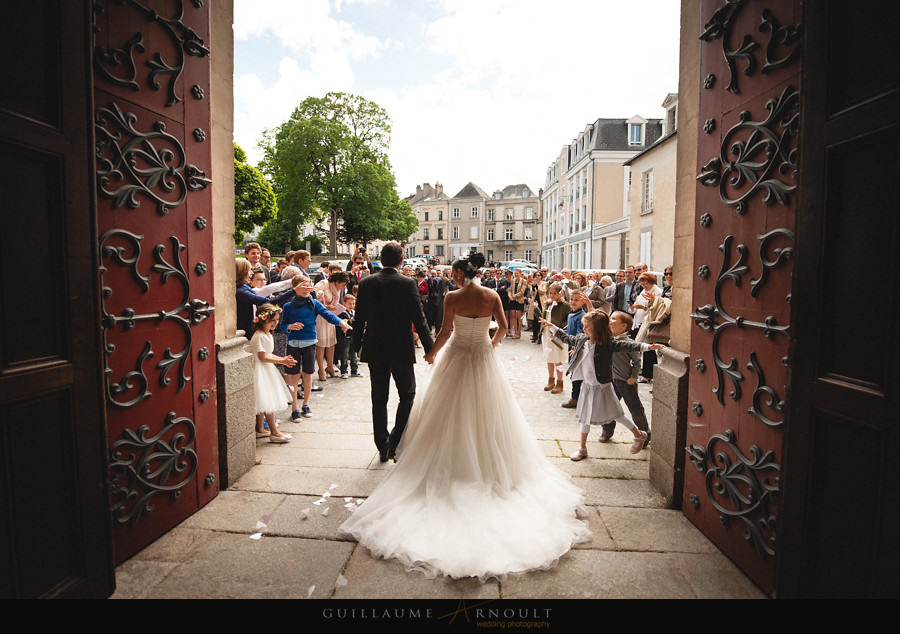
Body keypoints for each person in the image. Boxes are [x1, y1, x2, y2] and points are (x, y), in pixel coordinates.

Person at [339, 252, 590, 580]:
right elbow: (501, 328)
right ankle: (487, 465)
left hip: (457, 357)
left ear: (459, 274)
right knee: (489, 413)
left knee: (444, 411)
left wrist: (431, 353)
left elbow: (444, 332)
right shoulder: (492, 295)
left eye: (455, 272)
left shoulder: (453, 296)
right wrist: (491, 345)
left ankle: (410, 450)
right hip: (482, 357)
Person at [540, 310, 664, 461]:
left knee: (617, 415)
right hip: (587, 386)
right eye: (584, 326)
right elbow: (567, 338)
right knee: (585, 417)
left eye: (587, 327)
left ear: (598, 329)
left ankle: (639, 435)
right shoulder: (582, 340)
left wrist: (648, 347)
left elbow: (627, 345)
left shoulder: (607, 343)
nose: (584, 329)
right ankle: (582, 448)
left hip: (603, 387)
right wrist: (553, 327)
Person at [352, 242, 434, 462]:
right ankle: (396, 440)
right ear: (401, 261)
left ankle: (382, 443)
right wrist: (430, 348)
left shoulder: (367, 282)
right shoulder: (407, 283)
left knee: (378, 398)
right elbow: (420, 317)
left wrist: (354, 346)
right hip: (400, 346)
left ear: (381, 259)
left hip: (375, 346)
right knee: (407, 394)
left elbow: (359, 318)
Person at [280, 275, 352, 420]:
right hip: (293, 344)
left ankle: (306, 404)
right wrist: (289, 326)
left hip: (310, 343)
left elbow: (328, 315)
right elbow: (282, 325)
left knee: (308, 374)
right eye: (304, 286)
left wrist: (341, 322)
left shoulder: (314, 304)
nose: (307, 289)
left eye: (309, 285)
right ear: (296, 288)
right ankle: (294, 407)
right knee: (293, 376)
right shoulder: (288, 306)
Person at [598, 311, 652, 445]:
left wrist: (633, 377)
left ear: (623, 326)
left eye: (614, 319)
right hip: (611, 380)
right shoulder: (608, 340)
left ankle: (644, 433)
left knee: (635, 408)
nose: (610, 320)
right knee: (608, 406)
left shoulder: (628, 343)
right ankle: (607, 431)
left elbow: (637, 362)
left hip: (626, 381)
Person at [248, 304, 296, 443]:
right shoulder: (259, 336)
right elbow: (262, 357)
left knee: (264, 400)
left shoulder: (268, 334)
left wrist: (284, 360)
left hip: (266, 368)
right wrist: (283, 361)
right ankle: (274, 432)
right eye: (272, 320)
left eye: (276, 320)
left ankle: (260, 428)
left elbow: (269, 354)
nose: (275, 323)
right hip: (260, 369)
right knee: (267, 401)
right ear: (263, 320)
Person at [235, 258, 294, 339]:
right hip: (246, 333)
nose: (251, 273)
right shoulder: (240, 291)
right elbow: (269, 302)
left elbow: (273, 287)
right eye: (249, 271)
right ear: (242, 273)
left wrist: (292, 283)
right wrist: (294, 290)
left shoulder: (244, 287)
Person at [541, 282, 570, 394]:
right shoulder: (548, 304)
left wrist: (560, 328)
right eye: (550, 293)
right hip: (547, 334)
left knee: (558, 359)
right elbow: (544, 317)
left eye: (554, 293)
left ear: (560, 293)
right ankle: (551, 379)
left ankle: (560, 381)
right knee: (549, 358)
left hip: (557, 334)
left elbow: (568, 320)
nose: (552, 295)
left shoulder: (565, 305)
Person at [561, 289, 588, 409]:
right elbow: (569, 330)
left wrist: (575, 347)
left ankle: (575, 397)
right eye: (571, 299)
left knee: (576, 374)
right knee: (573, 372)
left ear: (583, 301)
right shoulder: (571, 314)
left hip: (577, 348)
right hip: (570, 346)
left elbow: (580, 335)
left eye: (576, 300)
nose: (573, 302)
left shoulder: (581, 316)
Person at [334, 294, 362, 379]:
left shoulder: (354, 313)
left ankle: (354, 370)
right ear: (344, 303)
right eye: (349, 304)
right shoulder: (342, 314)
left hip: (353, 337)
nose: (352, 306)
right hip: (345, 337)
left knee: (354, 354)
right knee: (344, 354)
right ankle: (344, 371)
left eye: (353, 304)